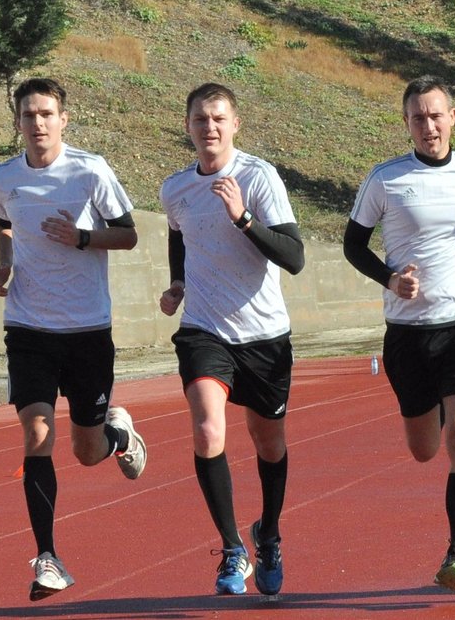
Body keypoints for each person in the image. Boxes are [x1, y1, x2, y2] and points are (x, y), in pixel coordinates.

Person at [343, 75, 455, 591]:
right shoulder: (385, 180)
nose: (429, 126)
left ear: (453, 117)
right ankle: (438, 401)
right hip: (409, 334)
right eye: (418, 118)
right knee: (424, 449)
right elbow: (354, 246)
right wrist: (390, 279)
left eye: (436, 115)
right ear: (407, 124)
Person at [0, 77, 147, 601]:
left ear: (63, 119)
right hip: (28, 326)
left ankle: (117, 436)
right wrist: (5, 265)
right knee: (36, 434)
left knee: (85, 450)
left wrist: (82, 237)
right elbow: (5, 224)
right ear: (17, 121)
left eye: (47, 114)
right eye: (29, 114)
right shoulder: (4, 175)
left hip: (86, 330)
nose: (38, 123)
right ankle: (48, 558)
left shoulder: (90, 170)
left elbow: (127, 233)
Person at [158, 83, 305, 595]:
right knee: (207, 431)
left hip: (264, 335)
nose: (210, 128)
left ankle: (268, 532)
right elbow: (179, 233)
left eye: (219, 118)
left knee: (269, 443)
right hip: (204, 329)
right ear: (188, 127)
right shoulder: (175, 189)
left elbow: (294, 256)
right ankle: (231, 547)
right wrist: (178, 282)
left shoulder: (259, 177)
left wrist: (243, 218)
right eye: (200, 119)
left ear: (235, 124)